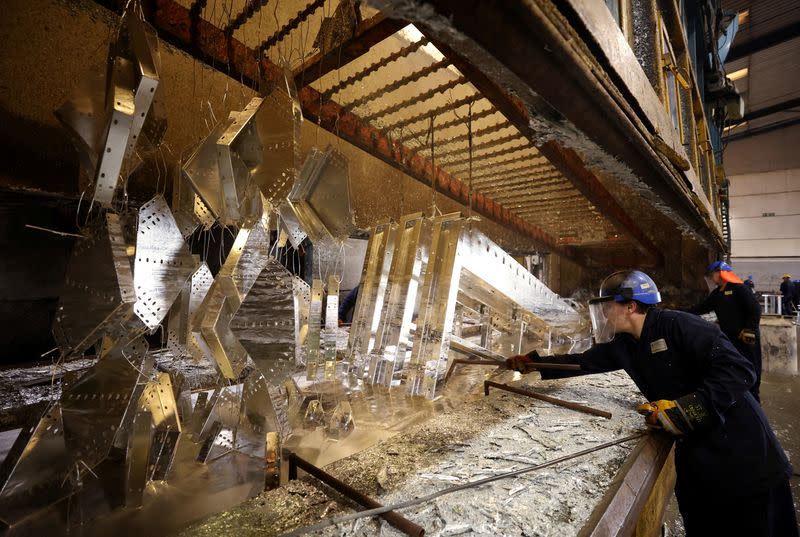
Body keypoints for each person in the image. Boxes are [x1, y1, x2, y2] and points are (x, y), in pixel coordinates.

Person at [506, 270, 796, 536]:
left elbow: (739, 370)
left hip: (744, 455)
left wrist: (686, 408)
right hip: (699, 456)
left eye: (608, 308)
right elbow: (581, 362)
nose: (605, 315)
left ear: (630, 306)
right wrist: (534, 363)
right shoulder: (625, 345)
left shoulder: (680, 326)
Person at [685, 261, 762, 401]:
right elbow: (701, 308)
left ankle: (754, 398)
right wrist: (681, 313)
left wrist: (750, 329)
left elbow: (755, 309)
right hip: (730, 339)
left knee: (751, 368)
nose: (711, 278)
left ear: (720, 273)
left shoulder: (740, 289)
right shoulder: (717, 294)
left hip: (746, 338)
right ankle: (740, 399)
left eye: (711, 274)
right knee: (735, 369)